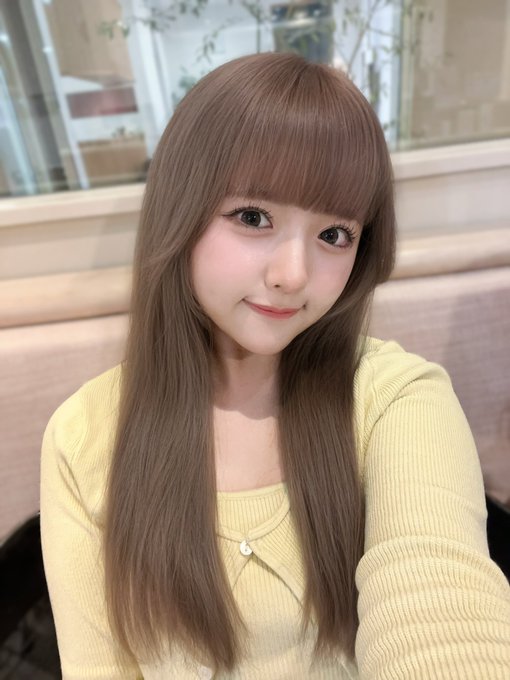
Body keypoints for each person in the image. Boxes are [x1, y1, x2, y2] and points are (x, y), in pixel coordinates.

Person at [40, 52, 510, 680]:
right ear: (180, 210)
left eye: (334, 235)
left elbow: (439, 599)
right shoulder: (83, 439)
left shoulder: (398, 400)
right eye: (253, 217)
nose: (293, 275)